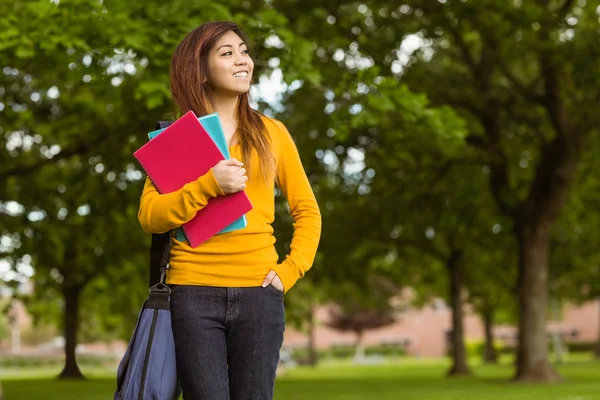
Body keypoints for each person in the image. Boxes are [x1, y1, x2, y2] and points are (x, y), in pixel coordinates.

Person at [137, 21, 322, 400]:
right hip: (192, 293)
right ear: (201, 71)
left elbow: (308, 211)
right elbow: (150, 216)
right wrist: (209, 185)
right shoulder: (177, 139)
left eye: (244, 51)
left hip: (259, 292)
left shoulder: (272, 133)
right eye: (227, 53)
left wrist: (288, 272)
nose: (243, 60)